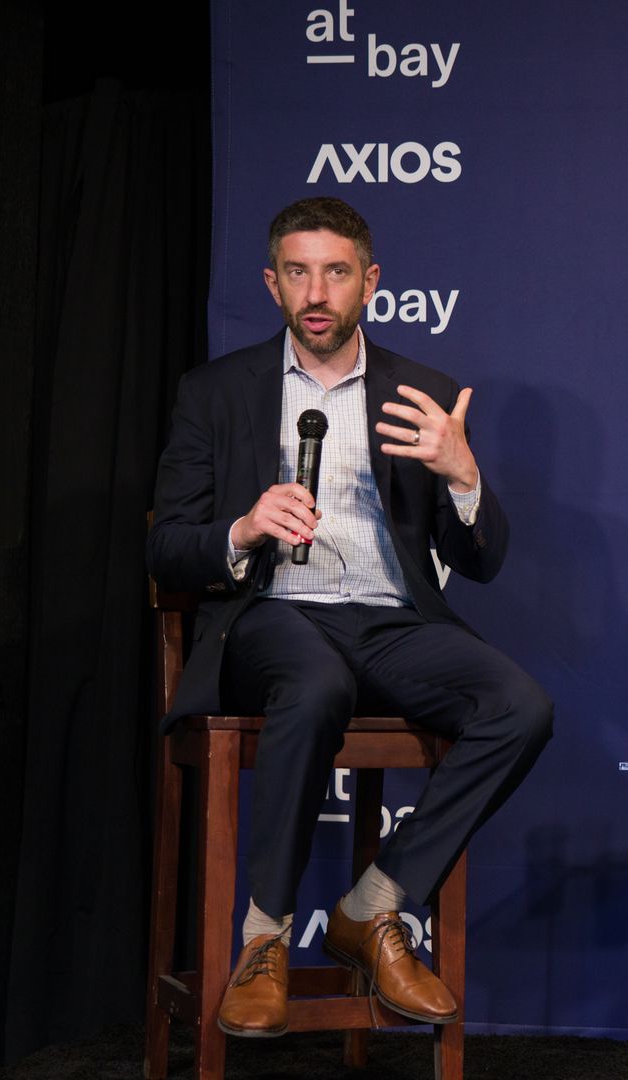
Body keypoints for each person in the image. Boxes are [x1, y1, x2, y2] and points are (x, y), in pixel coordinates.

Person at [147, 196, 553, 1038]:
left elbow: (482, 561)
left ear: (370, 282)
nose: (317, 292)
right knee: (314, 678)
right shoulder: (216, 393)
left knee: (520, 708)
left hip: (393, 622)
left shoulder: (423, 395)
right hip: (273, 615)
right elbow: (166, 551)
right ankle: (264, 939)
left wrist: (462, 474)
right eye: (298, 272)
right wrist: (244, 527)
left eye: (336, 272)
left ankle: (373, 905)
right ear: (272, 284)